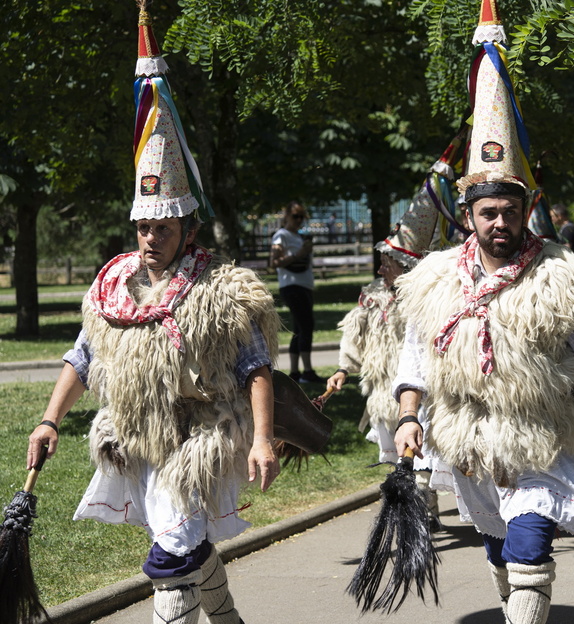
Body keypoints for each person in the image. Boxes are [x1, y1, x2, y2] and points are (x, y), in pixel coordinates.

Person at [393, 5, 574, 621]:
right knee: (499, 550)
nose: (501, 223)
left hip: (539, 436)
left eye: (510, 210)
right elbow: (414, 355)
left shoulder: (558, 274)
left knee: (531, 540)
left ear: (525, 208)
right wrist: (408, 417)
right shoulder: (433, 277)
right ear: (469, 215)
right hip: (468, 440)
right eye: (489, 213)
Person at [26, 10, 281, 623]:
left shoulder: (219, 290)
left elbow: (256, 367)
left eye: (160, 228)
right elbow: (83, 357)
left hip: (197, 437)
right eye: (142, 226)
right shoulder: (113, 285)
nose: (148, 238)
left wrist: (265, 437)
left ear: (186, 229)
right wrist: (49, 420)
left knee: (169, 561)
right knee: (184, 551)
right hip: (137, 436)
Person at [325, 131, 468, 531]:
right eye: (383, 260)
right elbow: (356, 335)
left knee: (421, 452)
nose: (382, 266)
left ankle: (424, 512)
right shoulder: (371, 295)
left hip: (420, 386)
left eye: (390, 261)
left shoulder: (422, 296)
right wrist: (343, 369)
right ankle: (422, 510)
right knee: (397, 450)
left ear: (406, 267)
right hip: (382, 392)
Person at [271, 201, 322, 384]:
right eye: (295, 216)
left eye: (302, 216)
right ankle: (307, 371)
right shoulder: (281, 236)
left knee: (299, 328)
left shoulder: (300, 237)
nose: (299, 220)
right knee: (306, 326)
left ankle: (294, 373)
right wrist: (299, 254)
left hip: (305, 286)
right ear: (286, 216)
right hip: (291, 286)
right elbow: (274, 262)